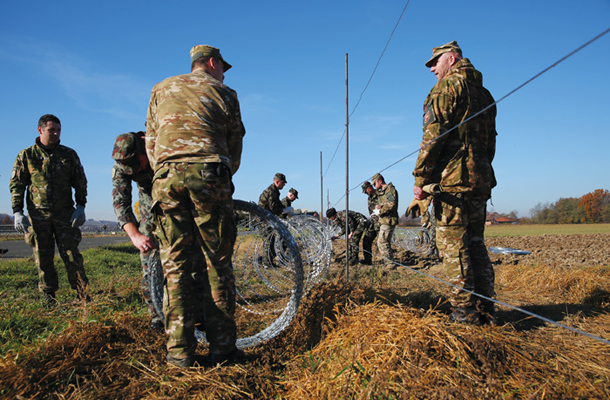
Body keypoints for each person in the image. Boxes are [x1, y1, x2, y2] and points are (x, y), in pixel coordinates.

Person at [146, 44, 246, 367]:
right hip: (210, 174)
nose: (223, 74)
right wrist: (217, 175)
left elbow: (151, 144)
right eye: (222, 68)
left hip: (166, 178)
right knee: (217, 263)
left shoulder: (160, 89)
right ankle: (223, 350)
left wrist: (168, 172)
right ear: (213, 63)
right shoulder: (225, 93)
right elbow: (234, 149)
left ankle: (179, 354)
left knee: (174, 264)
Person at [412, 41, 497, 325]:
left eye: (435, 62)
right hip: (480, 179)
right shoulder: (484, 94)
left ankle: (464, 313)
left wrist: (421, 178)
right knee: (476, 244)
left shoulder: (448, 87)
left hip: (453, 183)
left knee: (453, 247)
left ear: (452, 58)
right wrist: (479, 167)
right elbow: (490, 142)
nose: (433, 69)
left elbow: (433, 137)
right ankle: (486, 309)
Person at [9, 114, 90, 306]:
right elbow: (17, 184)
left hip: (65, 215)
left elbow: (80, 181)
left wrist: (81, 206)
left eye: (58, 130)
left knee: (72, 255)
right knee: (43, 257)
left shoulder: (68, 154)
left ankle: (83, 295)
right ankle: (49, 297)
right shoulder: (27, 155)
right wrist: (17, 211)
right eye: (51, 130)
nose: (55, 134)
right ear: (40, 130)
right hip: (38, 216)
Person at [111, 131, 164, 330]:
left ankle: (195, 313)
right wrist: (135, 234)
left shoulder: (165, 146)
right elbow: (120, 200)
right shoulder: (122, 163)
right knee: (150, 267)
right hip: (150, 214)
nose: (134, 171)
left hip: (182, 211)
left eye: (137, 165)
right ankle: (157, 317)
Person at [371, 173, 399, 268]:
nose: (374, 186)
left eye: (374, 184)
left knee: (383, 242)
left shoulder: (390, 190)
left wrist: (380, 210)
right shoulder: (382, 192)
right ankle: (389, 262)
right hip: (384, 220)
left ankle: (390, 263)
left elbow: (391, 204)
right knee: (382, 242)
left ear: (380, 181)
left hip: (389, 220)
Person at [361, 181, 379, 265]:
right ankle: (368, 260)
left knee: (383, 242)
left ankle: (389, 262)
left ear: (369, 188)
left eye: (365, 191)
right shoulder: (369, 198)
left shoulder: (380, 195)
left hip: (380, 223)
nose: (365, 193)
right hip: (373, 223)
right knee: (366, 240)